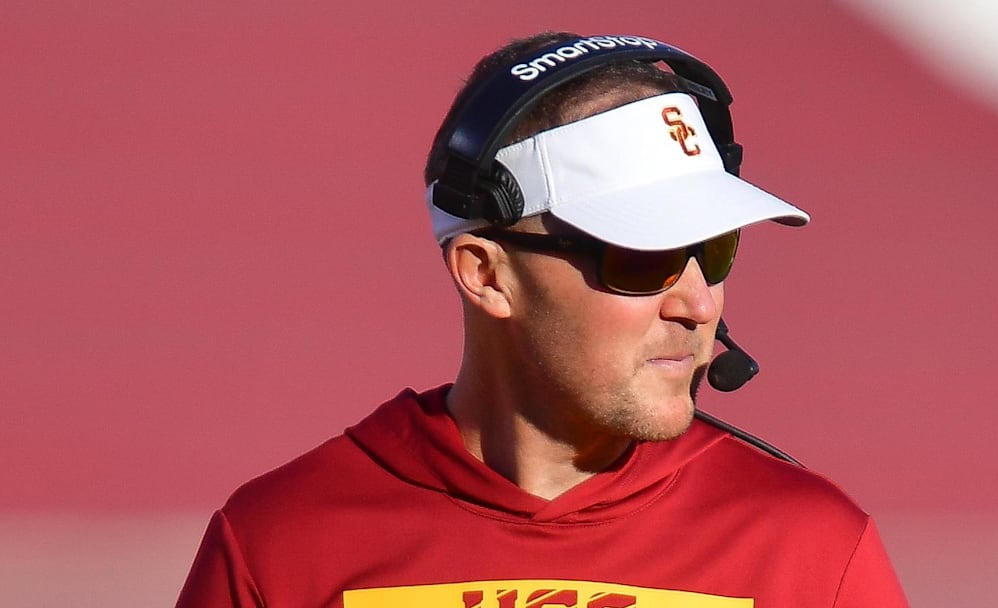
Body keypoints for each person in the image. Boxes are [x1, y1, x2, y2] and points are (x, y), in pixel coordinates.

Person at [176, 31, 909, 608]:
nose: (699, 304)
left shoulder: (813, 548)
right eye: (639, 259)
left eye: (713, 250)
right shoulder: (280, 542)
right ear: (486, 274)